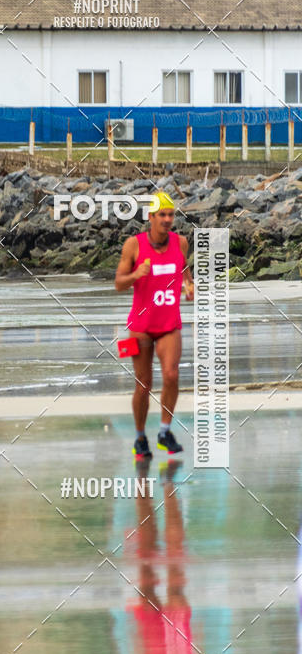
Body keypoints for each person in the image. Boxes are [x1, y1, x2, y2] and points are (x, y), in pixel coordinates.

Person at [114, 192, 194, 460]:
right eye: (162, 215)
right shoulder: (134, 245)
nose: (167, 220)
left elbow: (183, 268)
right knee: (143, 384)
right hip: (141, 326)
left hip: (169, 324)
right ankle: (140, 437)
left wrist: (189, 284)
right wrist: (137, 274)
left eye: (171, 215)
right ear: (151, 217)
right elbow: (118, 283)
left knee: (171, 375)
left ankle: (164, 431)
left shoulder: (180, 242)